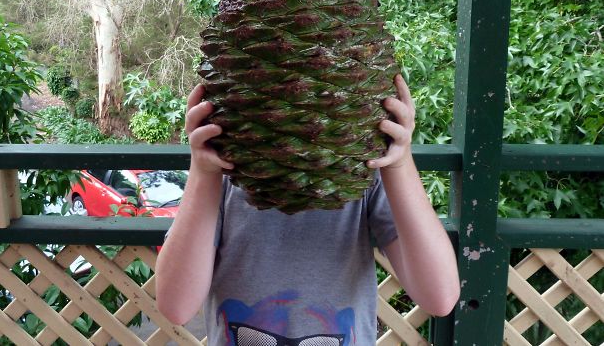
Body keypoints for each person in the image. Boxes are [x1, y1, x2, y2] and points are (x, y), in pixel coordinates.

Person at [156, 74, 460, 345]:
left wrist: (399, 162)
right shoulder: (222, 181)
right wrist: (203, 171)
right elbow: (176, 306)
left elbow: (439, 297)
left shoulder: (365, 177)